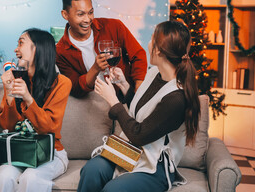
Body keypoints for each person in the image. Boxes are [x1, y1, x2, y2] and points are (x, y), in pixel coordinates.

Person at [78, 21, 201, 192]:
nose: (148, 44)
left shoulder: (176, 98)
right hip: (132, 151)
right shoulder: (153, 73)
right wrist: (124, 85)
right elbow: (145, 109)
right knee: (91, 170)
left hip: (156, 164)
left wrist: (113, 100)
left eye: (152, 39)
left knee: (113, 190)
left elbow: (139, 134)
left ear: (158, 49)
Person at [0, 28, 72, 192]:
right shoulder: (15, 79)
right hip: (21, 150)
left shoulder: (62, 83)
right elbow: (7, 126)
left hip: (51, 152)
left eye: (21, 43)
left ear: (39, 48)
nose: (15, 49)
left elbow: (48, 128)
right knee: (2, 176)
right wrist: (10, 95)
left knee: (31, 177)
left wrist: (28, 98)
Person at [56, 0, 147, 98]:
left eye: (90, 12)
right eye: (80, 14)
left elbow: (138, 54)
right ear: (65, 15)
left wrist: (138, 91)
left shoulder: (114, 26)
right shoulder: (60, 51)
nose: (87, 19)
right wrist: (95, 68)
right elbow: (76, 88)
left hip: (123, 100)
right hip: (92, 107)